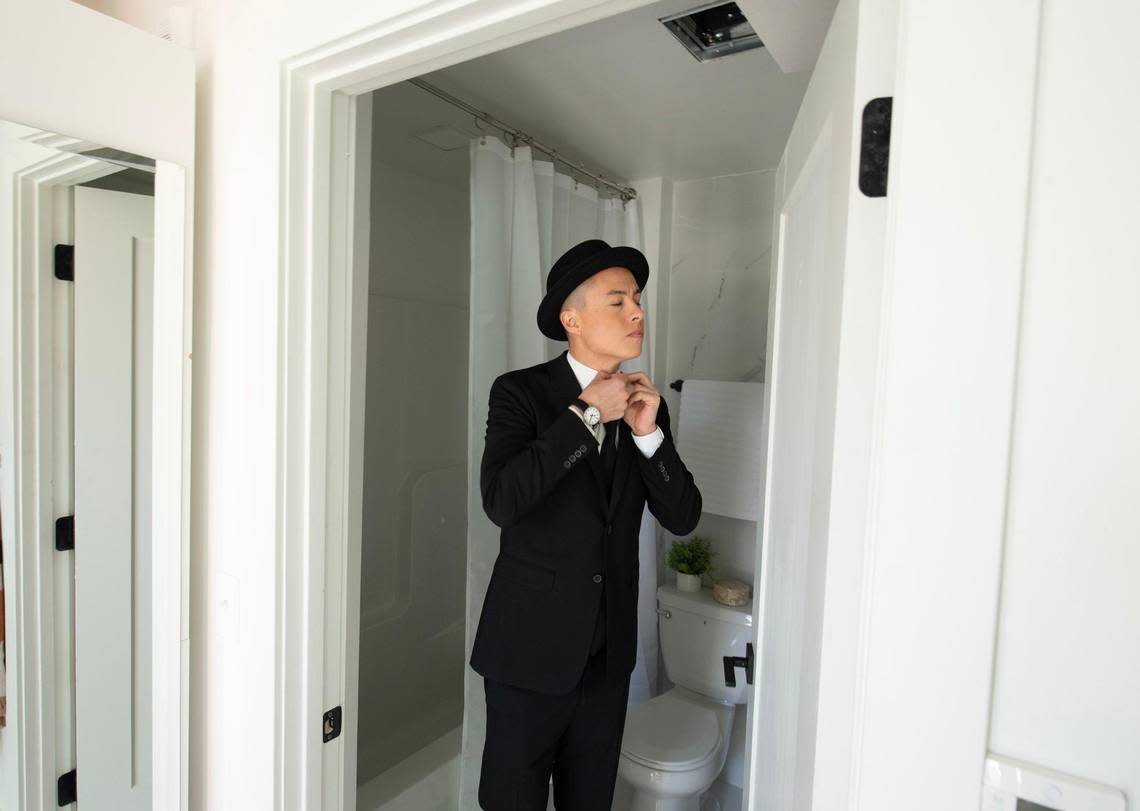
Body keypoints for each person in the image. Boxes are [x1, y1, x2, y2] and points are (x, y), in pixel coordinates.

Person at [470, 238, 703, 810]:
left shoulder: (648, 404)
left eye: (639, 300)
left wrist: (648, 435)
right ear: (570, 319)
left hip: (607, 660)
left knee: (590, 801)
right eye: (618, 301)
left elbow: (683, 516)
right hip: (527, 653)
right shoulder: (520, 393)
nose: (638, 312)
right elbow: (502, 500)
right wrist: (588, 413)